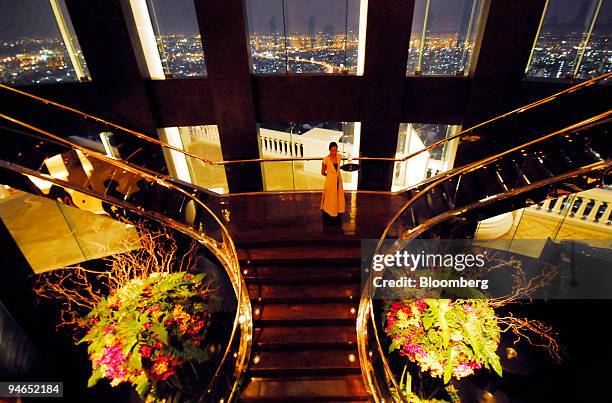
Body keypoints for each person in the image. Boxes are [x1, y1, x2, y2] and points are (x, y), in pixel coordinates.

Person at [320, 141, 345, 219]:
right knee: (330, 197)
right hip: (330, 181)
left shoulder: (339, 156)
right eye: (332, 150)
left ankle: (337, 209)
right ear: (329, 150)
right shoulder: (326, 159)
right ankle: (329, 209)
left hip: (338, 180)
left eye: (335, 150)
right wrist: (330, 176)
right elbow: (322, 172)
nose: (334, 152)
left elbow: (347, 157)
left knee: (337, 195)